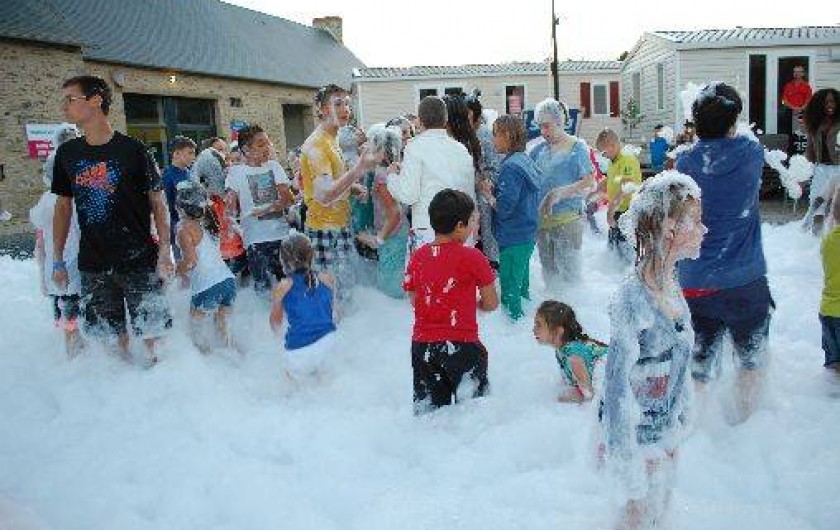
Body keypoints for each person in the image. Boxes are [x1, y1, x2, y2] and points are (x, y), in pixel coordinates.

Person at [603, 172, 705, 530]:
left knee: (658, 517)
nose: (703, 230)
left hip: (664, 436)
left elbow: (679, 364)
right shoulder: (634, 299)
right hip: (639, 441)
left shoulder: (671, 283)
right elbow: (614, 389)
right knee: (636, 520)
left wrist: (680, 425)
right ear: (668, 229)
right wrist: (627, 463)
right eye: (696, 221)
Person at [52, 75, 173, 366]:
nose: (64, 106)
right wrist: (57, 259)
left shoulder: (133, 150)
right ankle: (122, 398)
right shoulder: (67, 153)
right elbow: (63, 207)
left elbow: (158, 203)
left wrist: (164, 250)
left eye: (71, 99)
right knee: (108, 341)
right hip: (94, 263)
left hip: (138, 259)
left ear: (95, 100)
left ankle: (161, 398)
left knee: (153, 338)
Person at [675, 83, 772, 423]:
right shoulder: (750, 153)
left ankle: (696, 428)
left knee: (699, 363)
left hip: (694, 283)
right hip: (744, 282)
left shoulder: (684, 162)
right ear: (733, 121)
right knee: (751, 359)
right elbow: (737, 137)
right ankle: (746, 424)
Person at [404, 189, 499, 413]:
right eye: (472, 222)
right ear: (459, 226)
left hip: (423, 347)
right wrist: (473, 304)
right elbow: (491, 303)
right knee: (473, 415)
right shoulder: (474, 257)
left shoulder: (418, 257)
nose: (474, 228)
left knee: (430, 416)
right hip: (462, 345)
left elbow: (414, 299)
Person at [299, 84, 380, 308]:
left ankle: (341, 335)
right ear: (323, 109)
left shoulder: (332, 139)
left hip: (339, 224)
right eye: (338, 104)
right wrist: (357, 171)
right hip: (323, 228)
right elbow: (324, 195)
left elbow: (332, 180)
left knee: (342, 291)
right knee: (327, 293)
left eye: (347, 104)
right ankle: (327, 336)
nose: (345, 109)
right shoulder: (317, 145)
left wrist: (352, 187)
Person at [387, 96, 476, 254]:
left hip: (429, 230)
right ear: (446, 119)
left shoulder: (414, 147)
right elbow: (469, 194)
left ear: (420, 120)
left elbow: (409, 195)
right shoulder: (461, 149)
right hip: (460, 229)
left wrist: (392, 177)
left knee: (429, 278)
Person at [478, 115, 539, 320]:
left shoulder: (510, 167)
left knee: (509, 290)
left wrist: (488, 194)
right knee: (521, 286)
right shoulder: (524, 160)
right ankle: (527, 328)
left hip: (513, 238)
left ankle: (514, 328)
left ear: (507, 136)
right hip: (526, 235)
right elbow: (519, 196)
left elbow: (504, 208)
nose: (492, 139)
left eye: (495, 135)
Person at [529, 98, 595, 288]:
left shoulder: (577, 148)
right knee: (549, 276)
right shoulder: (539, 150)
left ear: (560, 122)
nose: (543, 132)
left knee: (570, 278)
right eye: (540, 127)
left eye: (547, 126)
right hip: (543, 224)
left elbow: (589, 181)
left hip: (567, 222)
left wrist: (560, 193)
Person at [225, 124, 294, 296]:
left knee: (288, 286)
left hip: (281, 236)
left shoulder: (274, 167)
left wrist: (267, 209)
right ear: (246, 149)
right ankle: (265, 322)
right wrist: (238, 231)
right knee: (263, 290)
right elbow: (229, 212)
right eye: (261, 144)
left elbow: (288, 199)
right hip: (255, 240)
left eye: (268, 143)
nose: (267, 148)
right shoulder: (236, 173)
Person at [31, 129, 83, 358]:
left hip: (63, 260)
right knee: (71, 303)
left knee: (67, 302)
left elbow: (37, 220)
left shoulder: (47, 199)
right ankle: (72, 343)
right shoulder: (65, 198)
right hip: (68, 259)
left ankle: (72, 339)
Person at [174, 181, 236, 354]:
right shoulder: (204, 226)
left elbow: (191, 261)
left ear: (180, 208)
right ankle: (235, 360)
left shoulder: (183, 229)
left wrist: (176, 271)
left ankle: (206, 365)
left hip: (208, 286)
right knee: (223, 329)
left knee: (196, 330)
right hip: (228, 281)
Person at [269, 232, 337, 380]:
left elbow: (275, 325)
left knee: (294, 391)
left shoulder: (284, 286)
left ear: (284, 261)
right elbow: (334, 314)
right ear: (311, 256)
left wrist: (276, 301)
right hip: (329, 343)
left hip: (299, 350)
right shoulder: (327, 278)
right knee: (325, 384)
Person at [355, 124, 409, 298]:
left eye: (373, 148)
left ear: (383, 153)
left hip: (393, 233)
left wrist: (378, 239)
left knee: (390, 287)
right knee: (395, 281)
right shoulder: (396, 170)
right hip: (398, 232)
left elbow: (395, 212)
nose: (369, 152)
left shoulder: (381, 178)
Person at [534, 300, 607, 403]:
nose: (534, 329)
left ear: (559, 331)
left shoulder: (574, 356)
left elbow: (589, 394)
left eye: (539, 325)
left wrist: (561, 399)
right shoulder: (562, 349)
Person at [467, 91, 502, 267]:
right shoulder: (466, 135)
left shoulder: (485, 136)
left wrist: (481, 179)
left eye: (468, 115)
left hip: (484, 199)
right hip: (469, 199)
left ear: (476, 115)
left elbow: (495, 168)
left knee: (486, 240)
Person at [597, 128, 642, 263]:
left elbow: (627, 187)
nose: (603, 155)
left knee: (626, 247)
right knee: (613, 246)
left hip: (628, 211)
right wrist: (603, 183)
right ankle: (613, 276)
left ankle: (627, 274)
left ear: (613, 145)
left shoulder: (627, 159)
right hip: (618, 209)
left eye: (604, 152)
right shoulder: (614, 161)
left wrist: (610, 210)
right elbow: (617, 178)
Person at [801, 88, 839, 235]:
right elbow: (810, 150)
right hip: (821, 168)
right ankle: (815, 238)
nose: (830, 104)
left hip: (839, 168)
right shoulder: (815, 123)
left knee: (837, 205)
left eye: (832, 101)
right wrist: (804, 173)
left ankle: (834, 239)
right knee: (817, 204)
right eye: (826, 102)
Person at [161, 136, 197, 260]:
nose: (193, 157)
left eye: (194, 153)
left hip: (193, 227)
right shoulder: (167, 175)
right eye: (190, 153)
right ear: (176, 153)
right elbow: (165, 206)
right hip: (177, 230)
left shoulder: (190, 173)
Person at [781, 64, 813, 135]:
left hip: (802, 111)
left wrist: (801, 108)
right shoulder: (788, 85)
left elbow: (809, 100)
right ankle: (790, 146)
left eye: (799, 72)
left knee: (801, 133)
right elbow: (783, 100)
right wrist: (793, 108)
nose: (796, 74)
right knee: (789, 132)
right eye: (795, 72)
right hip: (790, 111)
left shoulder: (806, 86)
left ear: (802, 74)